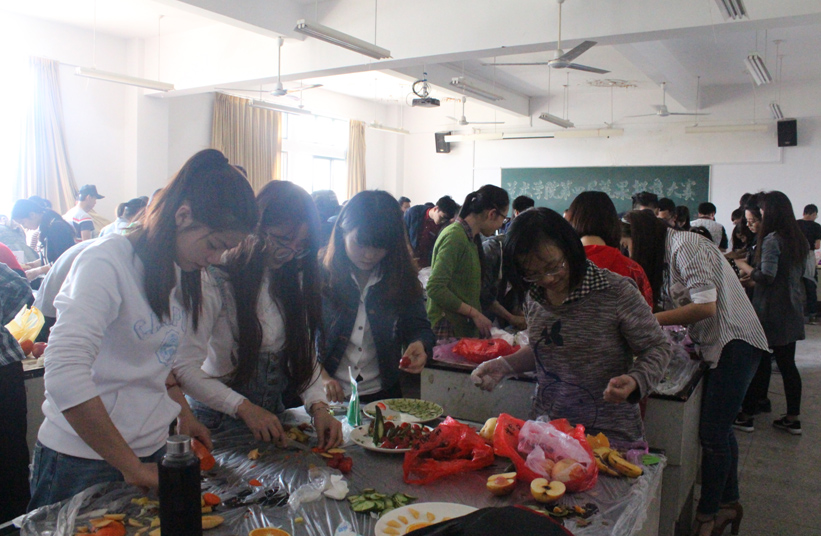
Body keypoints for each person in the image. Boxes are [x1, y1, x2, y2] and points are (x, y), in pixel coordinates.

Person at [27, 149, 259, 509]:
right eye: (214, 245)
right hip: (84, 459)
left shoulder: (181, 269)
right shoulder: (105, 262)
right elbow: (63, 373)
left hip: (151, 449)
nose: (215, 259)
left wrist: (183, 413)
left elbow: (157, 358)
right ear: (183, 216)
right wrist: (130, 466)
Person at [624, 209, 769, 536]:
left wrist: (645, 322)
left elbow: (705, 306)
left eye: (627, 245)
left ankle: (707, 514)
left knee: (713, 433)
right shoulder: (669, 253)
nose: (628, 253)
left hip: (735, 342)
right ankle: (728, 504)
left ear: (640, 237)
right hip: (720, 343)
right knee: (721, 430)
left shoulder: (685, 245)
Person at [471, 208, 671, 443]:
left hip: (608, 438)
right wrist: (504, 365)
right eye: (533, 273)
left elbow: (657, 347)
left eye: (554, 266)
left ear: (570, 248)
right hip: (549, 431)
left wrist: (637, 379)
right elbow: (546, 348)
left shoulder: (615, 292)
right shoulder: (534, 295)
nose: (547, 279)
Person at [175, 181, 341, 449]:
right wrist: (243, 407)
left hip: (271, 419)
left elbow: (304, 354)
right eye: (282, 239)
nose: (290, 253)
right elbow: (184, 368)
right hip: (216, 424)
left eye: (301, 245)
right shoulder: (216, 277)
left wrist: (318, 406)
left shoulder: (294, 276)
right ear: (256, 227)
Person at [317, 190, 435, 404]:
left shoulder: (400, 277)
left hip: (383, 395)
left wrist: (419, 344)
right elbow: (300, 340)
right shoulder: (319, 275)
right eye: (360, 243)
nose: (369, 255)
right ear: (342, 230)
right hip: (326, 396)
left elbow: (418, 326)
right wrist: (321, 376)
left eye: (380, 246)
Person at [734, 191, 808, 435]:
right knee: (787, 365)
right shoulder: (797, 238)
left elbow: (767, 275)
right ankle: (793, 418)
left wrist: (744, 266)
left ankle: (747, 416)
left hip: (770, 312)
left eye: (762, 211)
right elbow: (785, 276)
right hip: (791, 308)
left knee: (758, 363)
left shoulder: (772, 239)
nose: (760, 215)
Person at [427, 186, 509, 340]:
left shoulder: (471, 238)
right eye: (503, 219)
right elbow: (435, 288)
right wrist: (474, 313)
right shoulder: (455, 236)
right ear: (492, 214)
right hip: (449, 328)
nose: (501, 225)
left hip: (462, 328)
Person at [566, 191, 654, 309]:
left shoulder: (560, 267)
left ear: (572, 221)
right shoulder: (632, 269)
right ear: (613, 223)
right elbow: (647, 314)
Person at [11, 199, 76, 264]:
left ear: (32, 215)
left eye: (23, 223)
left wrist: (40, 269)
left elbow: (63, 260)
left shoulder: (57, 227)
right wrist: (34, 264)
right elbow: (49, 258)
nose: (24, 227)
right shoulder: (45, 227)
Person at [404, 196, 460, 268]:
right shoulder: (414, 212)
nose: (443, 221)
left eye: (446, 220)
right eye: (442, 217)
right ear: (436, 208)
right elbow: (402, 232)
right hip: (407, 258)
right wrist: (408, 247)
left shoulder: (444, 225)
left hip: (425, 265)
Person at [796, 203, 820, 323]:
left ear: (803, 213)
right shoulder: (817, 227)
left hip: (794, 257)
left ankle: (797, 313)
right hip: (808, 257)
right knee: (810, 284)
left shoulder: (795, 224)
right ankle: (812, 314)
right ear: (814, 214)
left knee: (796, 285)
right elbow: (817, 246)